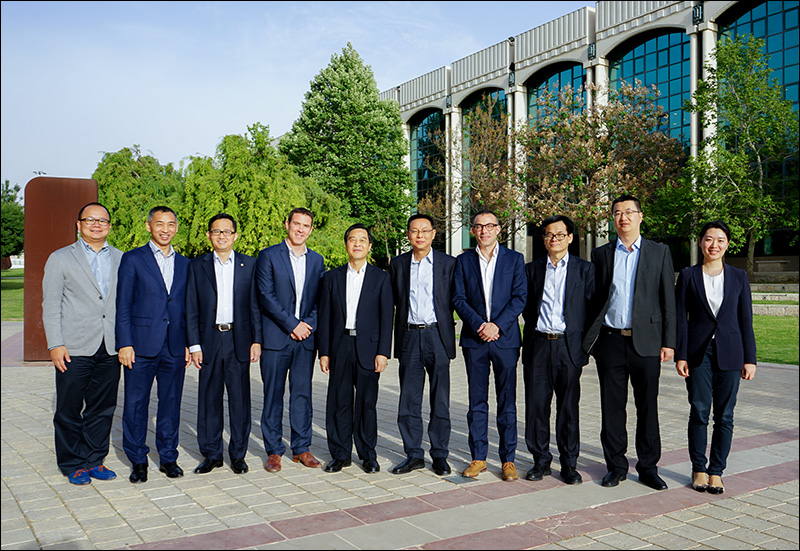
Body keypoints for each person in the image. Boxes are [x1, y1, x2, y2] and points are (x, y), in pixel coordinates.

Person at [583, 194, 676, 491]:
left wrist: (669, 341)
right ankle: (616, 466)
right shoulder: (601, 254)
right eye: (617, 213)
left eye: (629, 212)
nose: (623, 217)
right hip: (610, 341)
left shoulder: (659, 252)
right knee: (612, 408)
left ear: (640, 216)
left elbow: (668, 299)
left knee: (647, 407)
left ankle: (648, 467)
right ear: (613, 219)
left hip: (647, 342)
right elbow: (594, 299)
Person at [42, 202, 124, 485]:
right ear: (79, 225)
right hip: (73, 346)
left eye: (102, 221)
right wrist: (55, 344)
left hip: (110, 346)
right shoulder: (60, 258)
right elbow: (51, 304)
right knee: (69, 408)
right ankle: (72, 463)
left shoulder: (121, 258)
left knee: (102, 407)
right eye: (90, 220)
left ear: (109, 226)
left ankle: (94, 459)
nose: (96, 225)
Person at [675, 220, 756, 495]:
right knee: (699, 411)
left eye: (720, 240)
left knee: (725, 416)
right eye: (709, 239)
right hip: (698, 353)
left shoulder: (738, 277)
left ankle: (717, 471)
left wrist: (750, 359)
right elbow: (681, 319)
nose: (714, 245)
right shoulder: (688, 276)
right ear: (701, 243)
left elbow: (746, 320)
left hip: (731, 353)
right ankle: (699, 468)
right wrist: (681, 355)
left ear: (727, 244)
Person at [116, 206, 190, 483]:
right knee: (136, 404)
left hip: (174, 345)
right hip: (140, 345)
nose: (165, 229)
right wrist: (125, 343)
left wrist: (189, 343)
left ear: (176, 228)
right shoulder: (133, 259)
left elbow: (187, 308)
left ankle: (168, 457)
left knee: (171, 404)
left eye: (170, 224)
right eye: (160, 224)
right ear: (149, 226)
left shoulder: (185, 264)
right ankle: (138, 459)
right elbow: (123, 304)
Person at [453, 210, 526, 481]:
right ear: (473, 231)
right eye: (479, 226)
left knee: (507, 401)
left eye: (489, 226)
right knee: (477, 401)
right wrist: (480, 325)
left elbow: (520, 297)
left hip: (505, 340)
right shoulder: (463, 261)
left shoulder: (514, 259)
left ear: (498, 229)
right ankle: (478, 458)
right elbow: (458, 299)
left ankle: (508, 460)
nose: (484, 230)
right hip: (475, 340)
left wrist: (497, 325)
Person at [186, 213, 262, 475]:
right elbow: (191, 307)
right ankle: (211, 454)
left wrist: (257, 340)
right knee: (209, 398)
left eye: (227, 231)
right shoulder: (197, 266)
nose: (221, 236)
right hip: (209, 340)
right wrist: (194, 345)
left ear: (235, 236)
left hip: (238, 339)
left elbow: (255, 307)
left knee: (240, 401)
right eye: (216, 231)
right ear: (209, 235)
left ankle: (238, 455)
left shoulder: (249, 265)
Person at [521, 215, 594, 485]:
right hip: (538, 344)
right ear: (544, 239)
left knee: (568, 409)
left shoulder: (585, 270)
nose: (554, 239)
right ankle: (540, 461)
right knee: (537, 407)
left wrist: (584, 346)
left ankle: (569, 463)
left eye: (560, 235)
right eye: (549, 235)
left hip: (569, 347)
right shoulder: (531, 270)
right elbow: (527, 307)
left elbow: (592, 309)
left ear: (570, 238)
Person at [317, 224, 393, 473]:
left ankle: (368, 454)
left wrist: (383, 352)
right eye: (352, 239)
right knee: (339, 402)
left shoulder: (381, 278)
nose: (357, 244)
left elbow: (386, 319)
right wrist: (324, 352)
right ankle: (340, 454)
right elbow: (325, 318)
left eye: (362, 240)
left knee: (367, 403)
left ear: (369, 246)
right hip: (340, 346)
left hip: (369, 349)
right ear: (346, 244)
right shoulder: (331, 278)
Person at [255, 207, 325, 473]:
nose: (300, 229)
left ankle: (301, 448)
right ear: (287, 224)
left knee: (302, 395)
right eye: (296, 224)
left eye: (306, 226)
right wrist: (292, 324)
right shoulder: (268, 256)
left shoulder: (317, 260)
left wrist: (307, 325)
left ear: (311, 230)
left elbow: (321, 299)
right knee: (273, 394)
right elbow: (265, 296)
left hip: (305, 340)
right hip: (276, 338)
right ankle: (274, 451)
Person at [389, 214, 456, 476]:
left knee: (440, 400)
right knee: (409, 400)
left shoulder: (448, 263)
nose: (420, 235)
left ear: (433, 233)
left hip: (437, 336)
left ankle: (439, 454)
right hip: (409, 337)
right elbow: (393, 301)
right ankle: (414, 454)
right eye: (414, 231)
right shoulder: (398, 264)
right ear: (408, 235)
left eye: (425, 230)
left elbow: (456, 298)